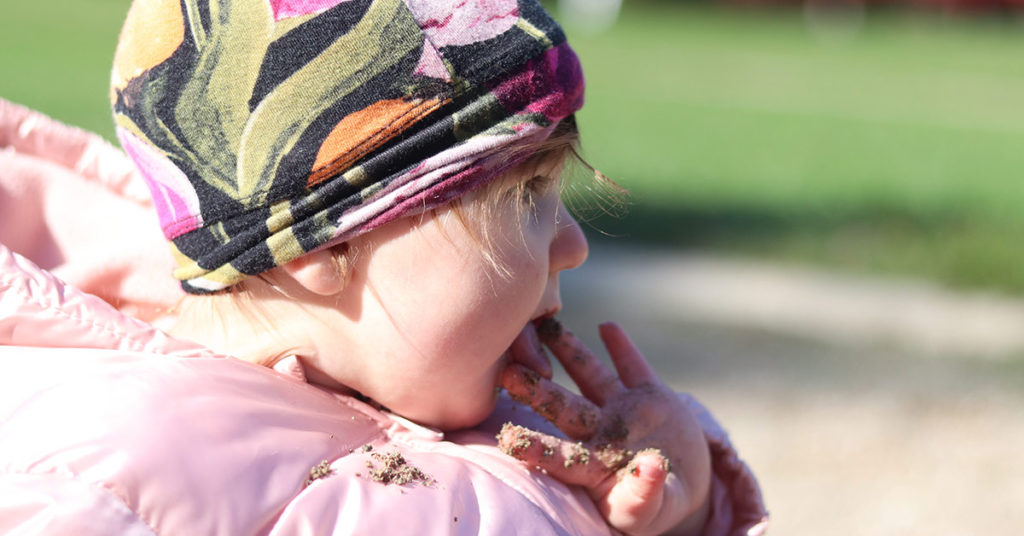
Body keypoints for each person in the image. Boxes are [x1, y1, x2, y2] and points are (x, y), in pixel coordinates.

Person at [0, 0, 768, 534]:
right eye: (529, 192)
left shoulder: (499, 413)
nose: (574, 244)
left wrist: (686, 508)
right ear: (327, 244)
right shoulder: (118, 474)